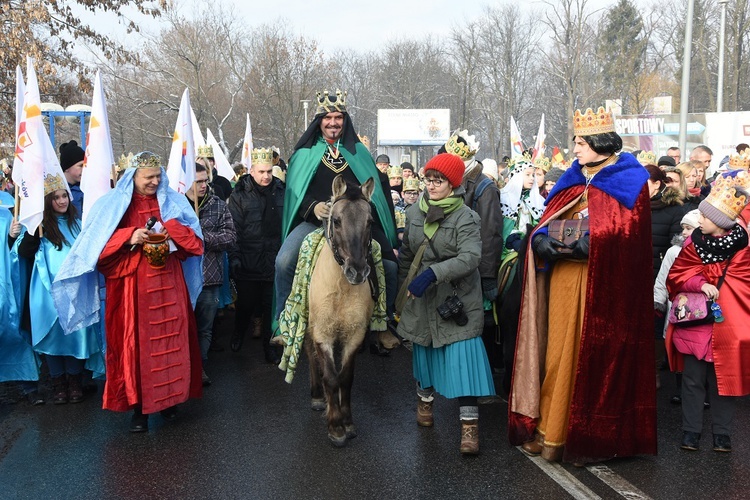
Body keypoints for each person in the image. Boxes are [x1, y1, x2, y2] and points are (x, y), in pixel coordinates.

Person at [509, 107, 656, 464]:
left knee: (592, 358)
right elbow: (547, 220)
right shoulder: (572, 177)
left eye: (580, 142)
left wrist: (592, 243)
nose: (575, 149)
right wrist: (541, 240)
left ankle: (587, 437)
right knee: (557, 355)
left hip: (605, 285)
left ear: (600, 143)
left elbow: (629, 236)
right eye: (575, 141)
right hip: (563, 279)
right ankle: (549, 431)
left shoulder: (629, 179)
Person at [52, 151, 204, 433]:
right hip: (132, 291)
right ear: (132, 177)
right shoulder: (111, 205)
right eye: (149, 177)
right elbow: (94, 252)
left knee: (172, 345)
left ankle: (171, 401)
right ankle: (139, 410)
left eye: (158, 176)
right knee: (136, 350)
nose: (155, 181)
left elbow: (195, 246)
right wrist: (128, 236)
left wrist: (173, 228)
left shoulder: (174, 201)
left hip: (170, 288)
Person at [274, 90, 398, 353]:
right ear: (319, 120)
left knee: (389, 264)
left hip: (353, 223)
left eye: (338, 117)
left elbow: (375, 190)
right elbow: (295, 193)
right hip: (315, 221)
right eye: (328, 117)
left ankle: (383, 323)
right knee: (284, 261)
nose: (333, 123)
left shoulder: (359, 153)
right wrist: (313, 207)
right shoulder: (304, 154)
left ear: (345, 120)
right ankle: (283, 325)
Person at [396, 153, 494, 455]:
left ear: (453, 184)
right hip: (422, 298)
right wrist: (402, 293)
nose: (432, 185)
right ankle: (424, 403)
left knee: (465, 362)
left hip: (457, 299)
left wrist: (434, 273)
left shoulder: (466, 217)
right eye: (428, 179)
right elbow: (408, 255)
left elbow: (470, 257)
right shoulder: (414, 213)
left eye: (438, 181)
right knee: (423, 352)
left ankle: (469, 429)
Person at [666, 171, 750, 453]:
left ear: (719, 222)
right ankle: (691, 432)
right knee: (691, 381)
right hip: (697, 323)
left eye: (703, 216)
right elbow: (677, 275)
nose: (698, 219)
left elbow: (744, 282)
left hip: (729, 325)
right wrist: (701, 283)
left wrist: (707, 276)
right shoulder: (693, 243)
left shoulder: (743, 249)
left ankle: (722, 434)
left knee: (723, 383)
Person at [15, 173, 104, 404]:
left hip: (75, 290)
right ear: (47, 201)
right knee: (52, 335)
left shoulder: (78, 222)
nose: (63, 201)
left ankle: (75, 381)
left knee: (75, 332)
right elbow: (23, 252)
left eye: (65, 195)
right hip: (46, 291)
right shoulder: (40, 227)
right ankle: (58, 382)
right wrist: (33, 231)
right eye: (56, 198)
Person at [228, 148, 285, 363]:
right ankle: (238, 331)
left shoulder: (281, 190)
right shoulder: (239, 194)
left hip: (273, 257)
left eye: (269, 171)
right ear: (251, 171)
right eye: (261, 171)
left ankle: (268, 347)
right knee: (246, 304)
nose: (266, 176)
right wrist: (235, 257)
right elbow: (233, 228)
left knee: (270, 306)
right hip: (248, 259)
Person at [187, 163, 236, 385]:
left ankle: (200, 366)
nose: (204, 185)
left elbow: (230, 237)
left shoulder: (218, 205)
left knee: (205, 329)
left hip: (210, 276)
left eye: (205, 180)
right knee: (184, 327)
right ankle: (184, 367)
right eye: (198, 181)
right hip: (183, 278)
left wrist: (202, 237)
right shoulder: (175, 206)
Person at [654, 209, 699, 401]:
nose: (685, 232)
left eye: (689, 228)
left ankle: (700, 391)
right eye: (683, 228)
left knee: (697, 350)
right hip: (677, 308)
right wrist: (658, 300)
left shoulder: (709, 250)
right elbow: (663, 278)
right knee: (679, 347)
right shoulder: (674, 251)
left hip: (699, 309)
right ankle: (681, 390)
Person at [59, 140, 85, 214]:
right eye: (81, 166)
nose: (85, 170)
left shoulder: (88, 188)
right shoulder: (55, 190)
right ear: (67, 168)